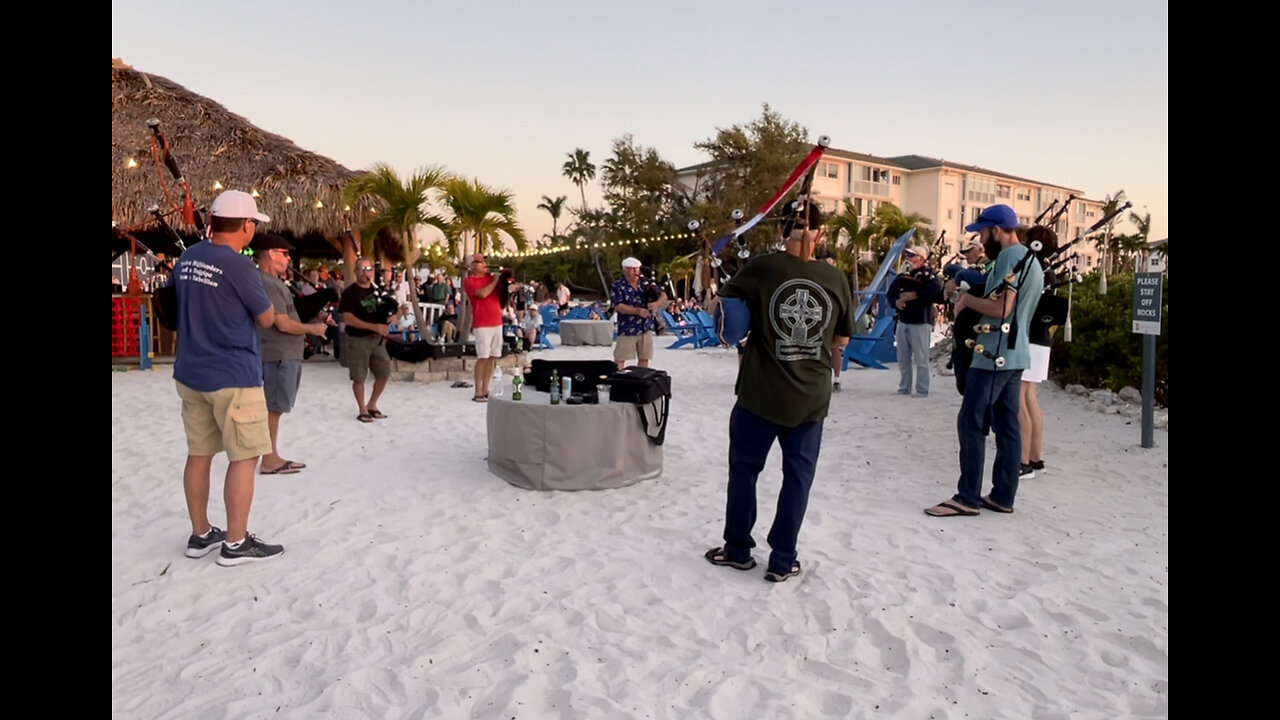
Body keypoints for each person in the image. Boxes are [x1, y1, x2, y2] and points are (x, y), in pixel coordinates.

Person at [704, 204, 854, 583]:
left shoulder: (761, 267)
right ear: (819, 233)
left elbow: (725, 315)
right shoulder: (835, 279)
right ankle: (783, 559)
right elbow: (841, 338)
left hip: (760, 391)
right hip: (811, 396)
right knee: (797, 479)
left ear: (781, 230)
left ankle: (738, 550)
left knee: (744, 471)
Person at [168, 189, 284, 566]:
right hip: (233, 374)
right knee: (245, 456)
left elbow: (171, 305)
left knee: (199, 454)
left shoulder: (187, 257)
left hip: (190, 371)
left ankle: (200, 534)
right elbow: (266, 317)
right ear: (247, 225)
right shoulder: (238, 266)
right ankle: (235, 542)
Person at [926, 204, 1044, 517]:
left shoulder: (1009, 257)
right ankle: (1002, 496)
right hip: (1017, 353)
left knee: (971, 421)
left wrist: (966, 300)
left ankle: (967, 498)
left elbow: (1002, 308)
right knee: (1007, 425)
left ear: (997, 229)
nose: (981, 238)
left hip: (993, 355)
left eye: (982, 232)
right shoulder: (1031, 261)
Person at [252, 234, 329, 475]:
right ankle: (269, 459)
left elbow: (289, 317)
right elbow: (282, 323)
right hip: (277, 354)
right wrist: (313, 329)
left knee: (276, 408)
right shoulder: (265, 282)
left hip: (284, 353)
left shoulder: (274, 282)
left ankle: (271, 456)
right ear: (271, 253)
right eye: (284, 253)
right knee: (273, 409)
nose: (287, 259)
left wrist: (315, 320)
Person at [1020, 225, 1059, 479]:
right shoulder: (1049, 270)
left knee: (1018, 398)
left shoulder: (1031, 265)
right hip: (1043, 338)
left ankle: (1022, 462)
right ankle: (1035, 457)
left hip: (1029, 337)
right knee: (1031, 397)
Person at [339, 257, 395, 423]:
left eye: (368, 269)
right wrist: (373, 327)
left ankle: (372, 404)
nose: (365, 273)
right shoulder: (350, 293)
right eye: (361, 269)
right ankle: (362, 408)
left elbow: (392, 307)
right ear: (356, 272)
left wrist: (395, 315)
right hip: (358, 340)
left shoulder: (378, 291)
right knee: (359, 377)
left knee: (384, 373)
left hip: (377, 340)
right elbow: (347, 318)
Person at [886, 245, 943, 397]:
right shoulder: (902, 276)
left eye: (912, 255)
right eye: (907, 255)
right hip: (903, 320)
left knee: (921, 359)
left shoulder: (928, 275)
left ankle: (922, 389)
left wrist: (916, 295)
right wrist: (896, 302)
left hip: (920, 321)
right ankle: (904, 387)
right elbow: (890, 294)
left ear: (921, 258)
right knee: (903, 359)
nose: (908, 258)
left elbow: (937, 289)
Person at [611, 257, 668, 370]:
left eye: (637, 269)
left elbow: (664, 295)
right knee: (620, 358)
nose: (635, 272)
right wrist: (637, 311)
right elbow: (618, 306)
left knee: (644, 357)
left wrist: (656, 304)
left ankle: (640, 380)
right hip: (628, 327)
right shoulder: (618, 286)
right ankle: (618, 380)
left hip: (645, 326)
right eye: (632, 269)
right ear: (625, 270)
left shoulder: (646, 283)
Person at [463, 254, 503, 402]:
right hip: (483, 323)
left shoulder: (489, 278)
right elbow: (483, 293)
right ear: (472, 266)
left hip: (497, 321)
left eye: (484, 261)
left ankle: (486, 388)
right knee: (482, 357)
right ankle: (478, 391)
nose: (484, 264)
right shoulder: (470, 281)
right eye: (479, 262)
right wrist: (496, 280)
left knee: (492, 357)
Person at [820, 251, 845, 391]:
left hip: (834, 315)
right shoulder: (818, 276)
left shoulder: (838, 278)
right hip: (820, 314)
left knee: (835, 347)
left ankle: (837, 379)